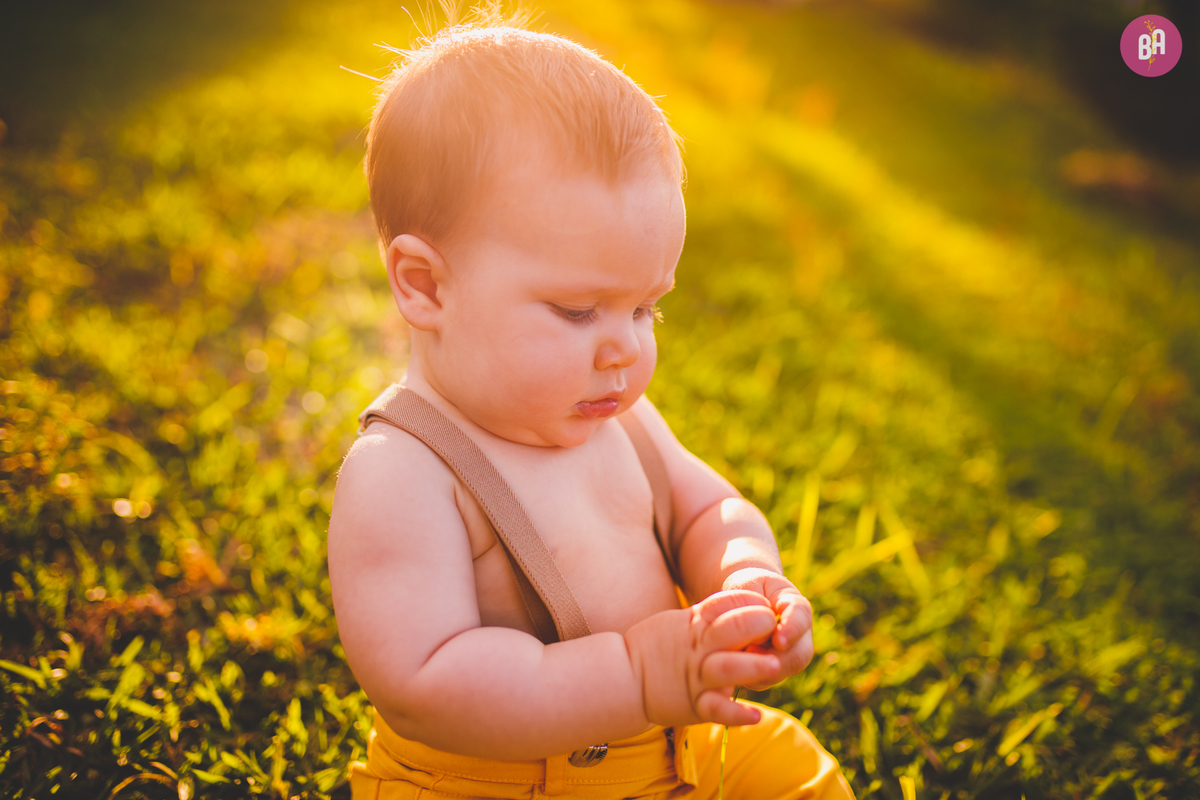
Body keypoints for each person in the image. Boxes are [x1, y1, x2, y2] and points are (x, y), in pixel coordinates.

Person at [328, 15, 854, 799]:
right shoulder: (405, 471)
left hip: (679, 745)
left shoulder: (619, 415)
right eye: (579, 311)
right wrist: (637, 674)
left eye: (646, 310)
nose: (623, 350)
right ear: (427, 286)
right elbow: (424, 681)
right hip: (498, 782)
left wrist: (748, 574)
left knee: (798, 778)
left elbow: (703, 508)